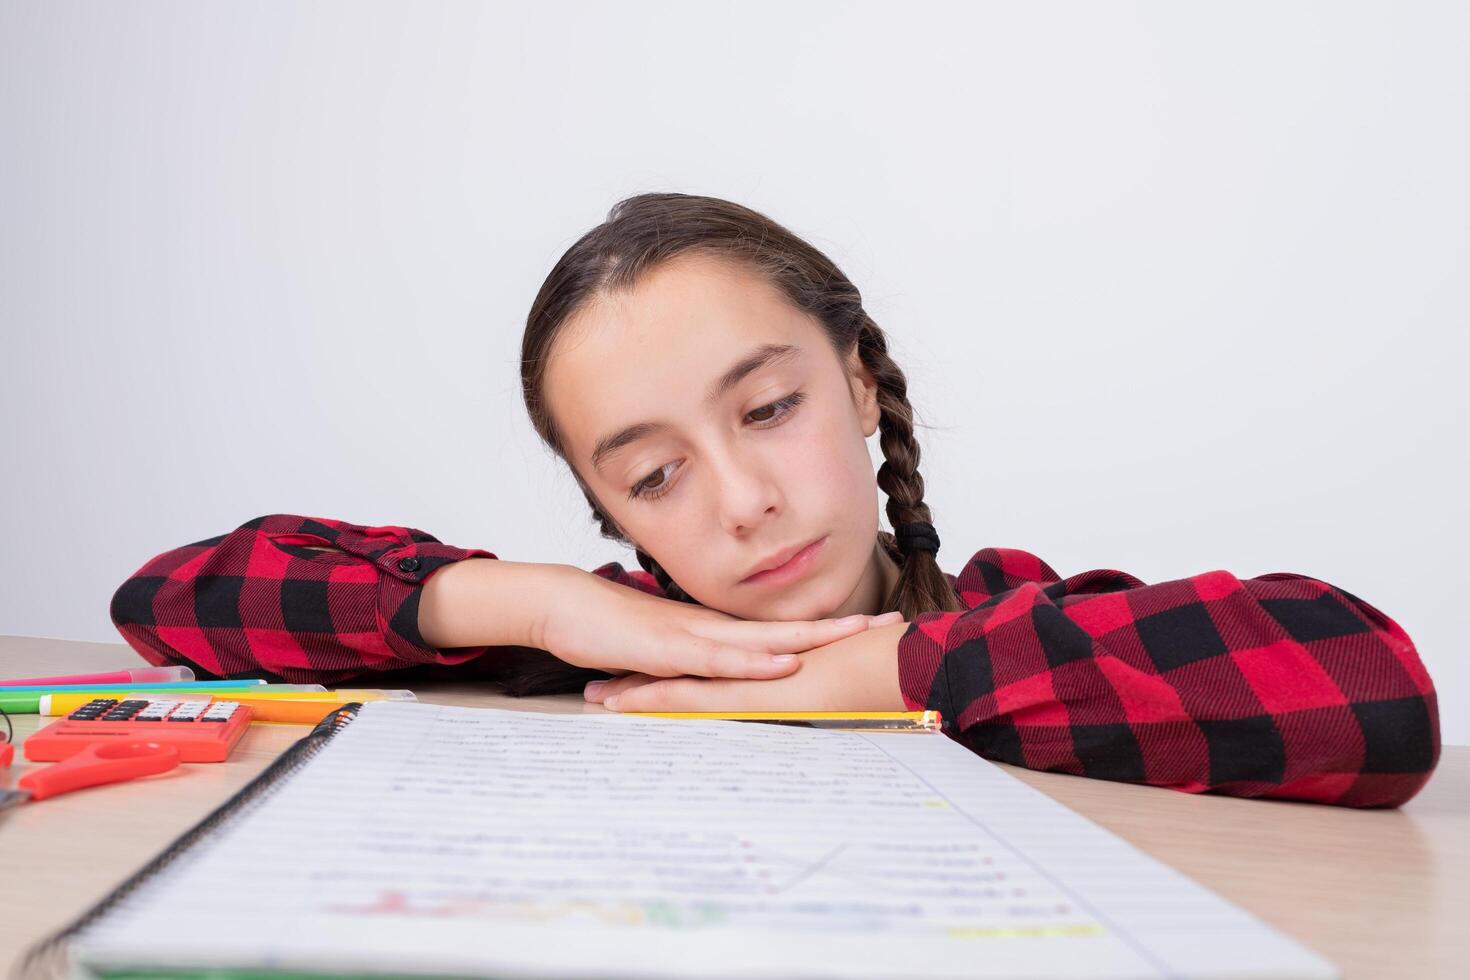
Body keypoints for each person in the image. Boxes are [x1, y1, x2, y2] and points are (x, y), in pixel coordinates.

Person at [109, 193, 1439, 808]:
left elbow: (1368, 688)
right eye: (650, 476)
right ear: (607, 514)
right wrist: (527, 601)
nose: (741, 500)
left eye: (767, 409)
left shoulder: (1015, 624)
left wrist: (869, 673)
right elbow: (171, 598)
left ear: (861, 386)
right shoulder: (599, 650)